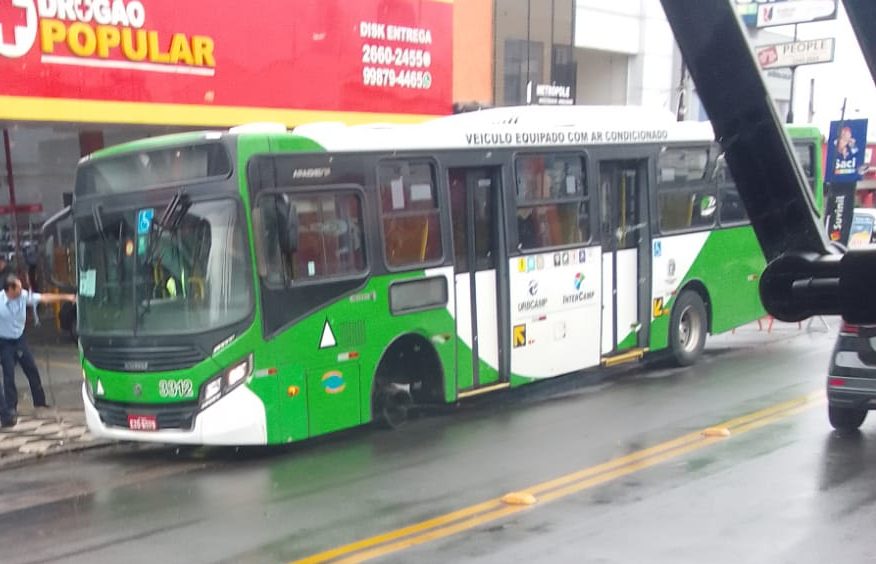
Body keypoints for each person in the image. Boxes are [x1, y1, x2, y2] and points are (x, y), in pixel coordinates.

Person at [0, 275, 75, 427]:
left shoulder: (23, 296)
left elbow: (44, 298)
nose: (23, 290)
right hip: (5, 342)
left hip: (19, 338)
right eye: (19, 288)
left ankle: (39, 402)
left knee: (31, 368)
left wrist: (66, 296)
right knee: (9, 374)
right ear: (10, 290)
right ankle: (10, 408)